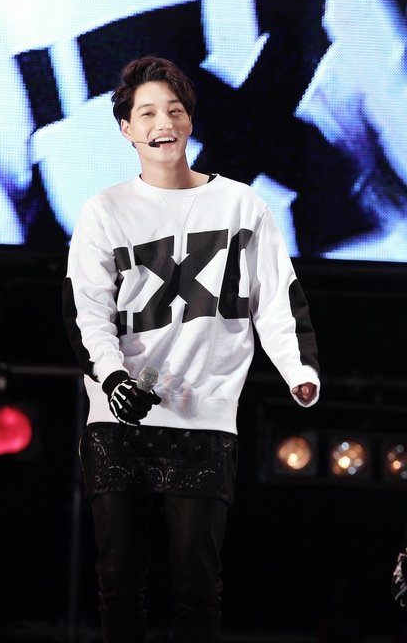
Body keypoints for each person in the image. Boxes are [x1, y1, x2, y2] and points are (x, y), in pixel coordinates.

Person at [62, 56, 320, 643]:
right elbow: (87, 311)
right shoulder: (105, 211)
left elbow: (276, 296)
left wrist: (297, 369)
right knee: (118, 582)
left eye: (175, 111)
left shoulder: (241, 205)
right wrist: (113, 380)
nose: (164, 123)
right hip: (121, 420)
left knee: (198, 587)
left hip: (204, 417)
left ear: (191, 121)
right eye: (148, 113)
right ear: (126, 128)